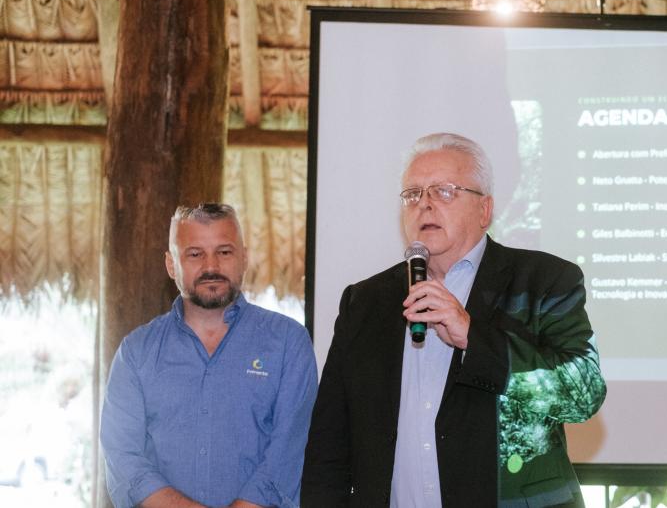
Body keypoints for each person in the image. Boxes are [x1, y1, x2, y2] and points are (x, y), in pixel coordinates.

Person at [301, 134, 606, 507]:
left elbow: (582, 393)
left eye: (444, 191)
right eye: (413, 194)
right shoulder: (364, 302)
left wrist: (472, 337)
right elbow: (328, 446)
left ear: (485, 210)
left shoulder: (543, 281)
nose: (424, 204)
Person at [101, 203, 318, 508]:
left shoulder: (288, 343)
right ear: (171, 264)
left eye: (224, 252)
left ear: (244, 257)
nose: (211, 266)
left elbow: (290, 451)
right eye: (195, 254)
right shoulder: (135, 353)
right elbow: (124, 461)